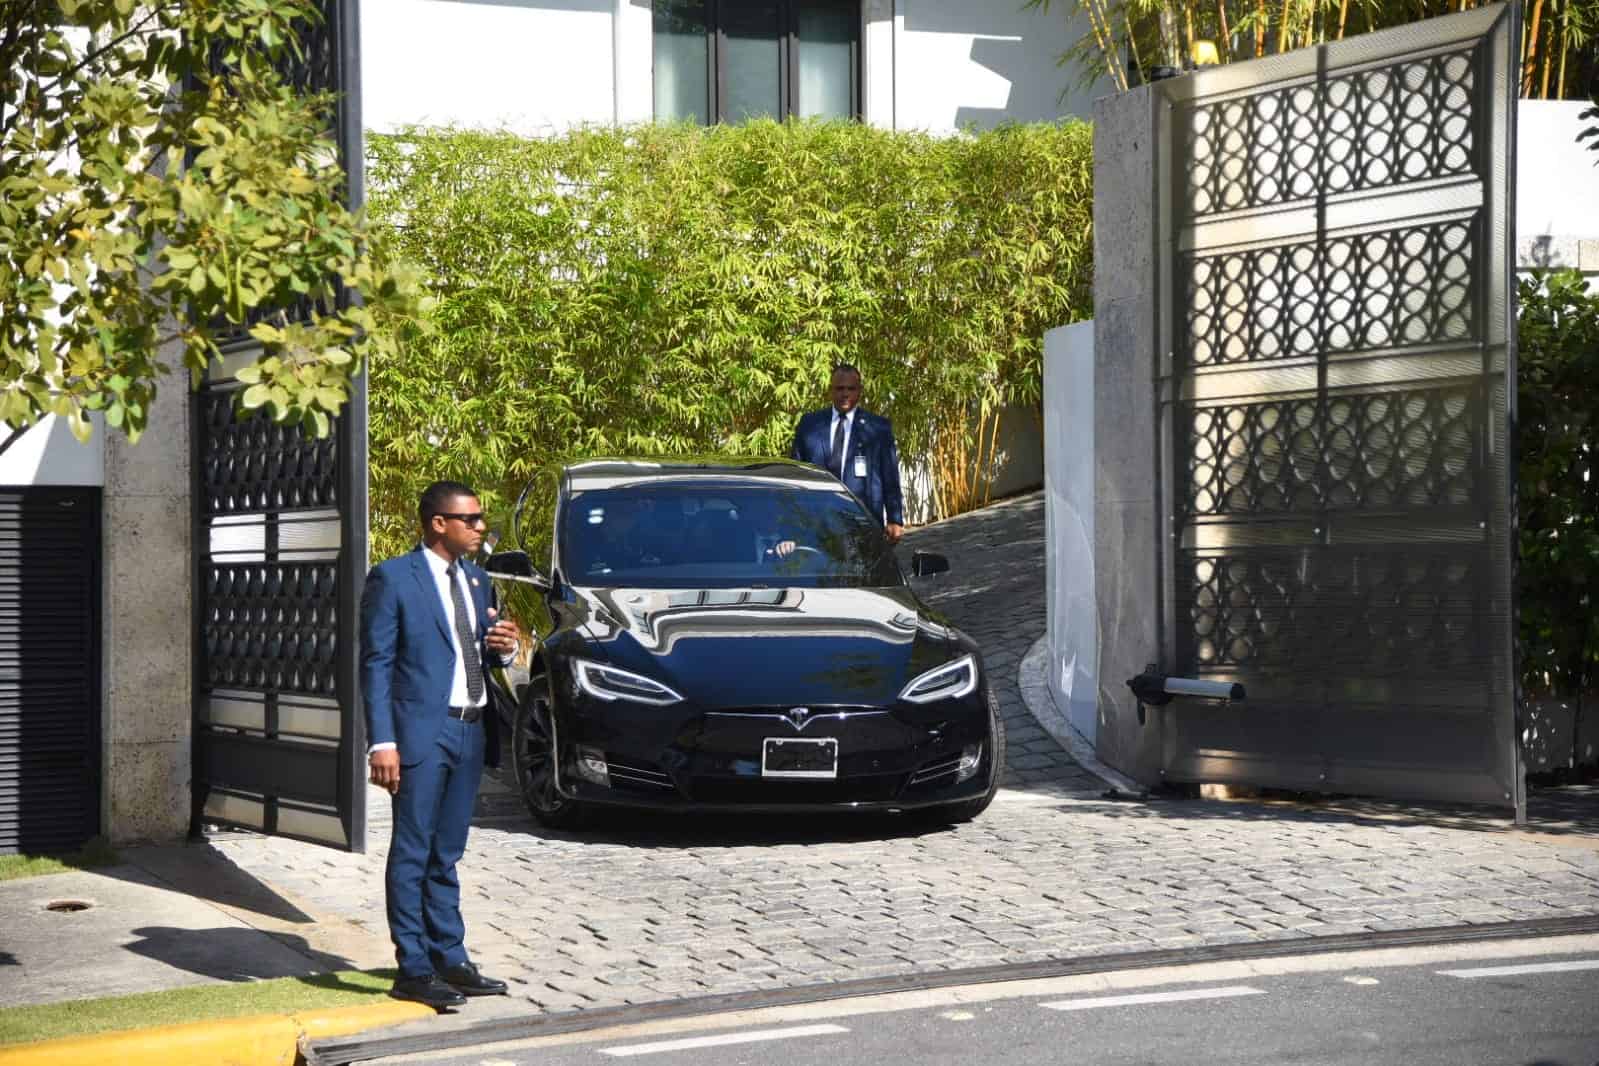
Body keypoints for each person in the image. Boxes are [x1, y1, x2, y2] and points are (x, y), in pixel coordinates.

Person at [361, 480, 520, 1009]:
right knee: (412, 850)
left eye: (480, 520)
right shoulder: (393, 579)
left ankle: (450, 958)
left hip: (470, 729)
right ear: (438, 523)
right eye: (470, 519)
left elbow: (475, 655)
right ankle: (413, 968)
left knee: (447, 852)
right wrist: (381, 741)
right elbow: (377, 663)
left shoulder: (477, 581)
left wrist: (501, 649)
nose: (480, 528)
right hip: (420, 735)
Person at [791, 363, 905, 543]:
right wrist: (792, 527)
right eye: (839, 388)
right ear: (830, 391)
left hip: (864, 522)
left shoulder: (878, 428)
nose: (845, 394)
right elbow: (795, 475)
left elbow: (890, 477)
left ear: (859, 391)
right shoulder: (810, 425)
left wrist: (894, 519)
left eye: (851, 389)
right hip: (818, 524)